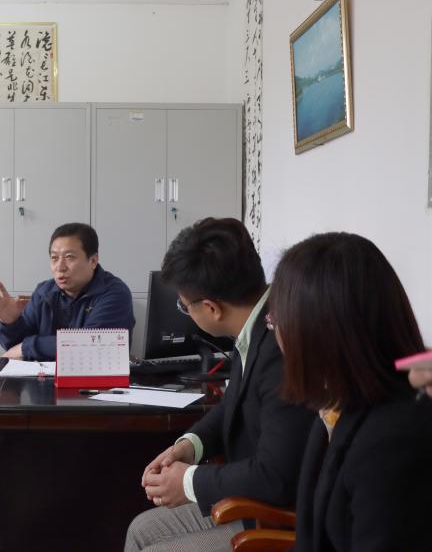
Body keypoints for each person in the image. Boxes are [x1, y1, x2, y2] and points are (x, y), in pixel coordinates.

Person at [126, 218, 313, 552]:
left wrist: (188, 481)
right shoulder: (256, 324)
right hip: (253, 502)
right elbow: (233, 404)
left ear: (211, 308)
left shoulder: (279, 344)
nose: (186, 312)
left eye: (185, 306)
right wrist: (190, 446)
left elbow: (275, 475)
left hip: (278, 517)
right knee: (140, 530)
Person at [270, 232, 432, 550]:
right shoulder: (339, 404)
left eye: (276, 320)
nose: (276, 333)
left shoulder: (391, 442)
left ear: (312, 333)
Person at [0, 222, 134, 361]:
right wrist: (11, 322)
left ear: (93, 261)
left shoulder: (115, 293)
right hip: (43, 375)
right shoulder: (43, 292)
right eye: (54, 258)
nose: (60, 267)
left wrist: (28, 347)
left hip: (94, 378)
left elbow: (92, 344)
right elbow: (15, 348)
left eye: (69, 257)